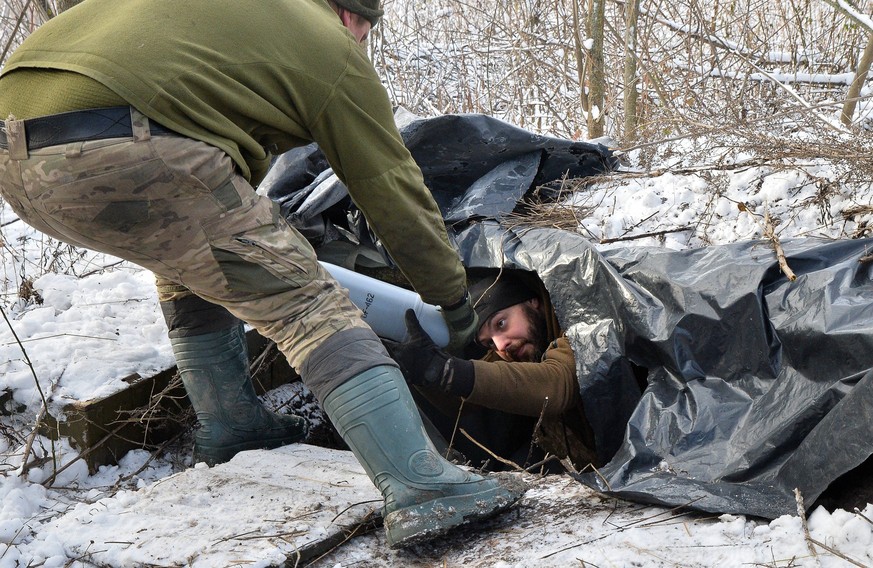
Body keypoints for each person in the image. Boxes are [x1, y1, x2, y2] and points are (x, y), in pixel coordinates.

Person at [0, 0, 525, 549]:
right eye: (366, 34)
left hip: (19, 158)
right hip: (124, 142)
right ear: (350, 17)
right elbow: (393, 190)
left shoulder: (242, 18)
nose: (362, 46)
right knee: (307, 305)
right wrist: (455, 304)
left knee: (193, 256)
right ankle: (425, 489)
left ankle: (232, 425)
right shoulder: (328, 44)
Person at [389, 270, 600, 471]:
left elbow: (557, 385)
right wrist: (423, 373)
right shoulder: (519, 346)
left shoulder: (581, 325)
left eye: (501, 324)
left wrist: (447, 370)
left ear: (532, 301)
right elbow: (465, 401)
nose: (500, 346)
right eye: (489, 343)